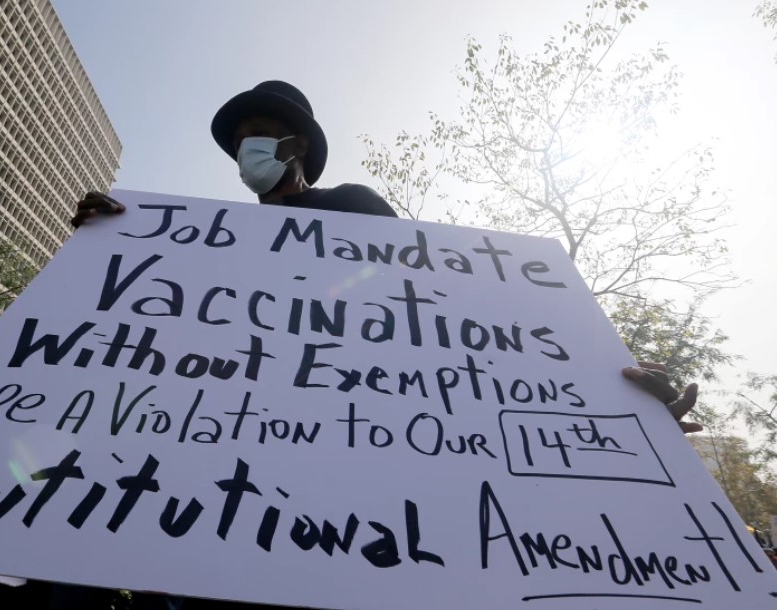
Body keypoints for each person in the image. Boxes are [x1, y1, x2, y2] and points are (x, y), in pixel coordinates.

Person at [68, 80, 702, 608]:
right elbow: (158, 345)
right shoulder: (204, 244)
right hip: (241, 503)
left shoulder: (350, 205)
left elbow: (440, 323)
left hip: (356, 484)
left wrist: (613, 407)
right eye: (238, 144)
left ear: (298, 147)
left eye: (259, 135)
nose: (246, 151)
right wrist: (110, 246)